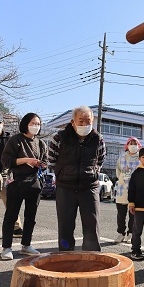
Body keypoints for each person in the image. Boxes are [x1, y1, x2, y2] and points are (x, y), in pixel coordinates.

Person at [48, 106, 106, 251]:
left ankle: (92, 259)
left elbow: (100, 160)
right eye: (81, 121)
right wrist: (62, 173)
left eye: (88, 121)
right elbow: (51, 159)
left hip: (89, 187)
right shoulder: (59, 137)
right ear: (73, 122)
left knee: (92, 225)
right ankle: (66, 258)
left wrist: (94, 172)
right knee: (65, 226)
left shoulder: (98, 139)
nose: (85, 125)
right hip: (65, 187)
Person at [0, 113, 47, 260]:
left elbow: (45, 162)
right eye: (33, 123)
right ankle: (6, 247)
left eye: (38, 124)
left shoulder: (41, 143)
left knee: (31, 216)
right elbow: (6, 160)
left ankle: (26, 245)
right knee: (11, 215)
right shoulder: (16, 140)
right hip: (17, 181)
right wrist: (27, 160)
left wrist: (42, 164)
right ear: (26, 123)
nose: (36, 126)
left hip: (34, 182)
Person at [114, 137, 142, 243]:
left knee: (133, 214)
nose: (133, 145)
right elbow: (118, 171)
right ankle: (120, 233)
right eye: (131, 143)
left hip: (135, 190)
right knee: (121, 214)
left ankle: (130, 233)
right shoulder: (122, 157)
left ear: (138, 145)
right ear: (127, 145)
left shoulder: (140, 158)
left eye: (135, 143)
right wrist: (123, 179)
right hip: (122, 189)